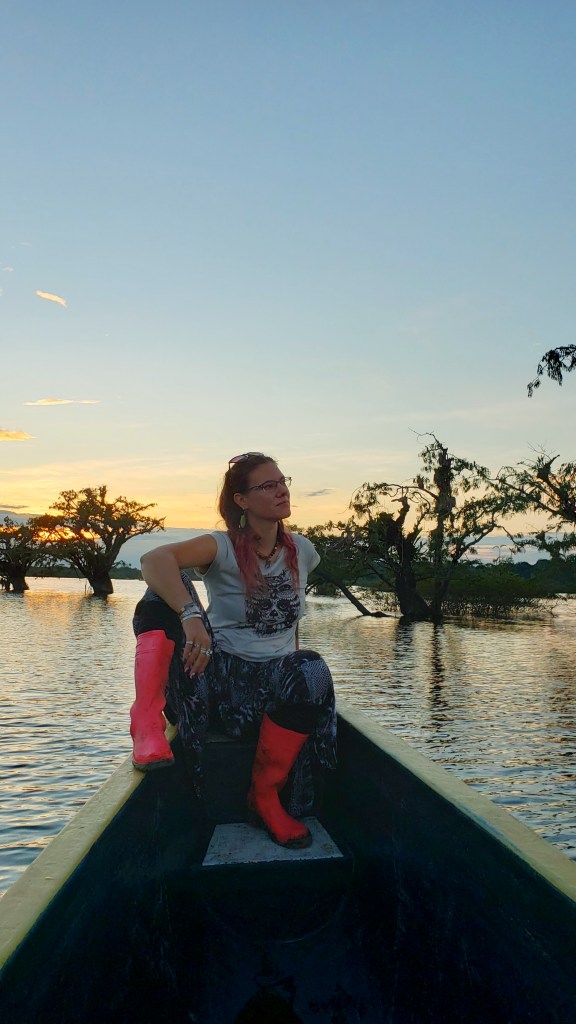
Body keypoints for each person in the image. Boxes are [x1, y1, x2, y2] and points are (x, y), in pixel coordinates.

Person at [130, 452, 336, 849]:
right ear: (241, 500)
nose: (281, 490)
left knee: (311, 668)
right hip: (215, 681)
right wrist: (190, 614)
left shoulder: (303, 551)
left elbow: (292, 628)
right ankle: (145, 719)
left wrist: (291, 670)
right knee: (159, 591)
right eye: (268, 485)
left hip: (268, 694)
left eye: (282, 481)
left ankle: (264, 797)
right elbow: (154, 559)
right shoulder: (221, 547)